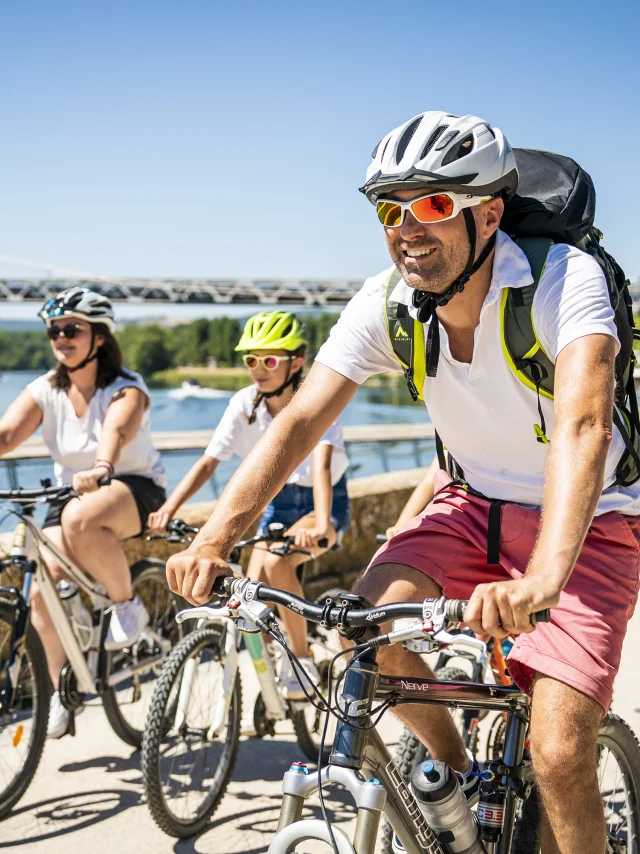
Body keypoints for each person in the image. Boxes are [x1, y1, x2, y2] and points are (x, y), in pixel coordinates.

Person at [165, 111, 638, 853]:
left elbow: (585, 425)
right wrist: (216, 538)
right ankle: (452, 770)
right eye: (392, 209)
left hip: (590, 522)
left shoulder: (560, 279)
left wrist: (544, 579)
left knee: (558, 752)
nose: (407, 228)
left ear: (489, 214)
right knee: (362, 633)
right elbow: (296, 423)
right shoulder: (388, 302)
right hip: (467, 504)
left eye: (434, 205)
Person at [149, 310, 350, 698]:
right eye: (251, 360)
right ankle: (272, 669)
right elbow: (209, 462)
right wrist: (169, 507)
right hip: (274, 505)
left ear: (296, 363)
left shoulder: (317, 398)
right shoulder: (244, 404)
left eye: (269, 360)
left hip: (320, 503)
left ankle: (303, 659)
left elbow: (322, 466)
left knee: (276, 563)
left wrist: (322, 524)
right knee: (248, 590)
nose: (258, 369)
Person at [0, 287, 167, 739]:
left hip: (129, 485)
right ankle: (62, 691)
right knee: (42, 593)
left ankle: (126, 605)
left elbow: (118, 427)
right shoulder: (46, 389)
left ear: (98, 337)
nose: (61, 337)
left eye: (71, 329)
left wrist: (101, 466)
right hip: (70, 492)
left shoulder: (125, 387)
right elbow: (7, 434)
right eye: (54, 330)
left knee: (80, 519)